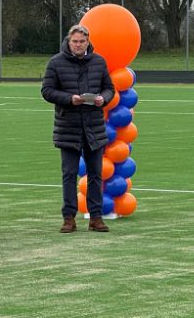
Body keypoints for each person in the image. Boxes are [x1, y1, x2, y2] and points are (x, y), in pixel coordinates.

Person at [41, 24, 115, 233]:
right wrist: (68, 99)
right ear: (69, 41)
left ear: (88, 42)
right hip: (68, 126)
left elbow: (109, 88)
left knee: (95, 175)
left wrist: (104, 98)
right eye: (75, 41)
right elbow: (46, 91)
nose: (78, 45)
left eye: (82, 41)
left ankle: (96, 218)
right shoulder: (56, 63)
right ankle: (68, 218)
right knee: (69, 174)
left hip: (94, 126)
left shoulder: (99, 62)